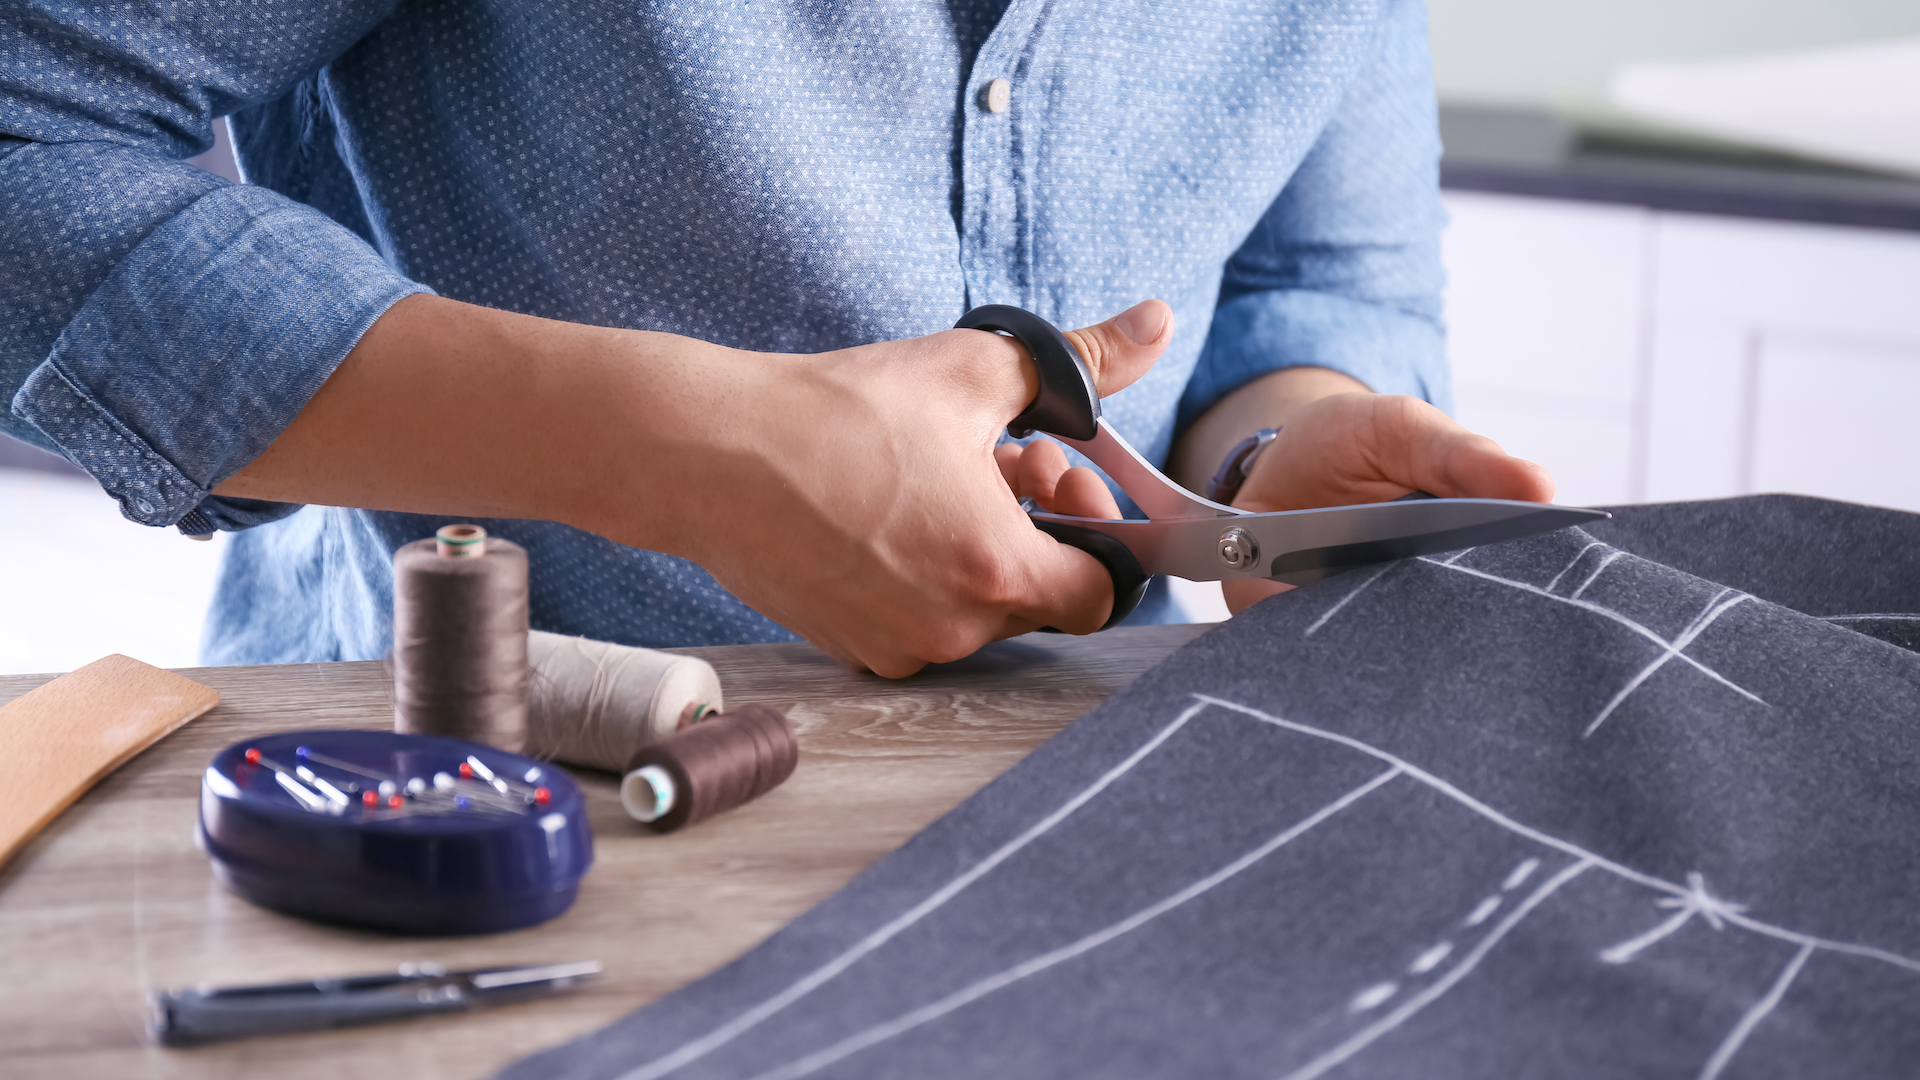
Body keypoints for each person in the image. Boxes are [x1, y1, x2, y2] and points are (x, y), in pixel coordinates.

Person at [0, 0, 1551, 677]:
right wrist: (684, 456)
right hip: (453, 813)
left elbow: (1315, 278)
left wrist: (1269, 458)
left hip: (1072, 823)